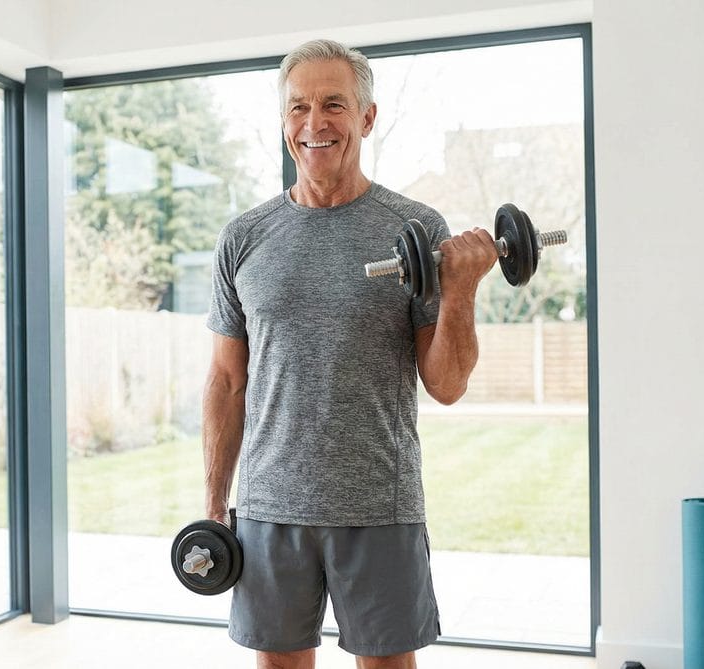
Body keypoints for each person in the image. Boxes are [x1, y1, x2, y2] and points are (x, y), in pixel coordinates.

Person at [203, 39, 498, 669]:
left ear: (366, 117)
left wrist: (461, 292)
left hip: (378, 503)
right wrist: (213, 507)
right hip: (268, 506)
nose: (315, 123)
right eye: (299, 107)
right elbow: (228, 384)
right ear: (284, 121)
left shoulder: (415, 228)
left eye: (334, 104)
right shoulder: (244, 237)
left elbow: (445, 384)